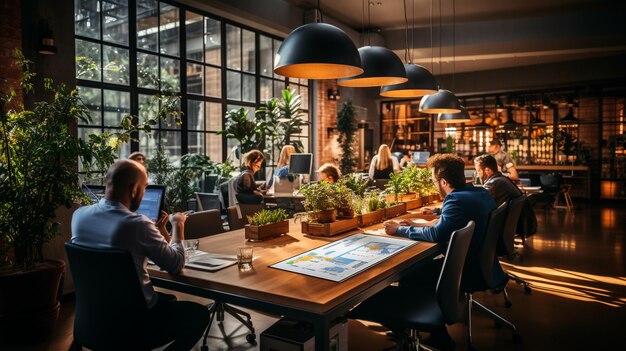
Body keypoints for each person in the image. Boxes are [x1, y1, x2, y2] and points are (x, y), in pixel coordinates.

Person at [71, 159, 210, 350]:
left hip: (92, 320)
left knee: (168, 300)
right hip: (134, 325)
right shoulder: (137, 224)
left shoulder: (79, 216)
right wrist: (178, 224)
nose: (144, 193)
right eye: (144, 187)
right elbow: (176, 264)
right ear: (134, 190)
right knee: (198, 314)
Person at [383, 153, 506, 350]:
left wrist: (399, 229)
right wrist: (428, 219)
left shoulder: (454, 200)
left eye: (434, 181)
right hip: (484, 264)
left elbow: (436, 234)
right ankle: (423, 329)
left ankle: (420, 330)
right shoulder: (481, 193)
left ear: (443, 181)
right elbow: (457, 216)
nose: (434, 185)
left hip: (467, 270)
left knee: (409, 273)